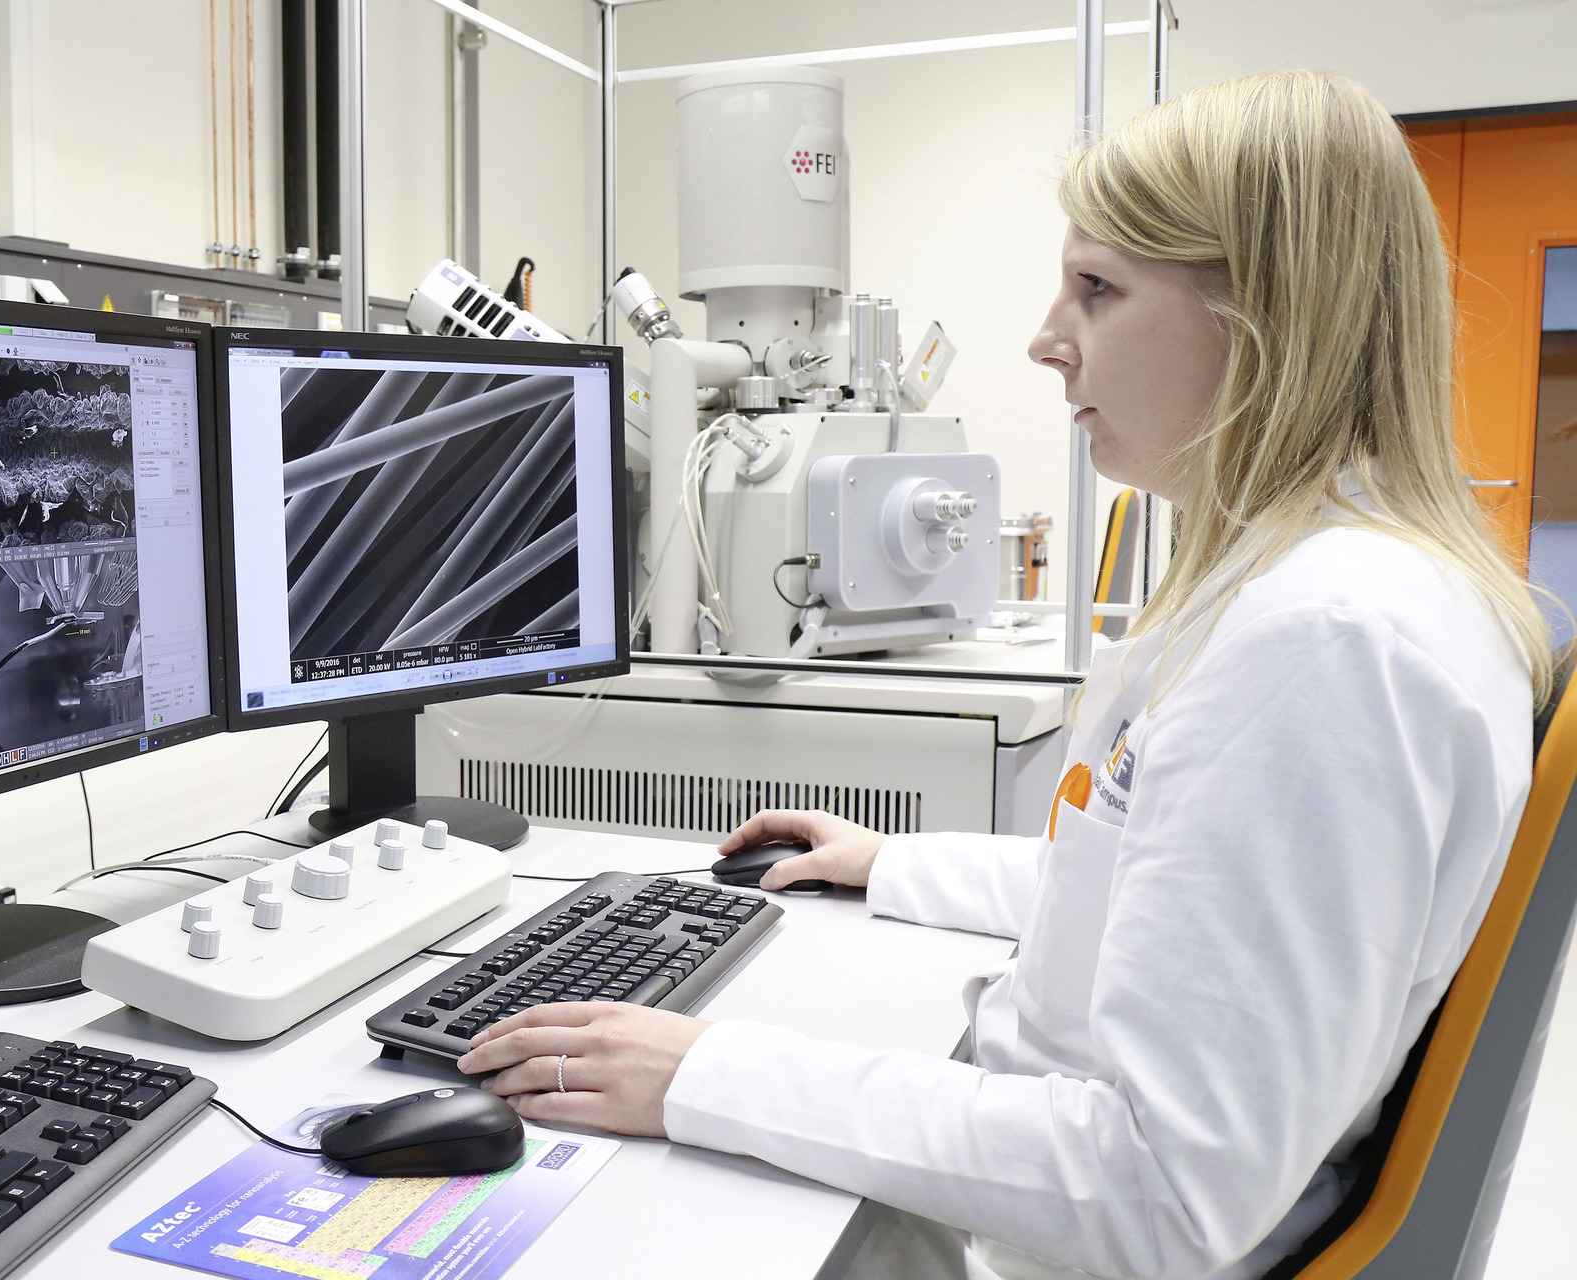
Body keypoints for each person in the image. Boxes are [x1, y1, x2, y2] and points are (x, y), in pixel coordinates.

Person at [457, 69, 1553, 1280]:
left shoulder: (1328, 644)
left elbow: (1158, 1188)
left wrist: (703, 1071)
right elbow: (1162, 882)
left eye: (1098, 288)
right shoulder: (1329, 587)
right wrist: (895, 862)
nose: (1045, 337)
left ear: (1266, 314)